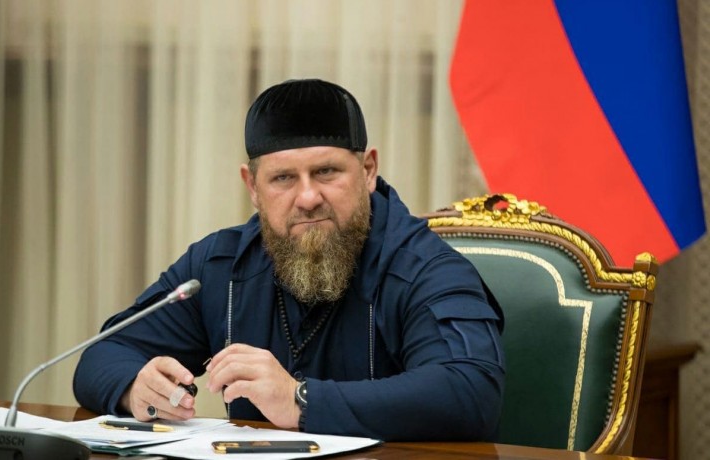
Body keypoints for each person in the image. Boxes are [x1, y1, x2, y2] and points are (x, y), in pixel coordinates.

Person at [73, 78, 505, 441]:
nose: (308, 197)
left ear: (368, 170)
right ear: (253, 187)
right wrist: (135, 386)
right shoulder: (219, 266)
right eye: (283, 178)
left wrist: (300, 400)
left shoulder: (425, 267)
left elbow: (471, 391)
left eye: (326, 172)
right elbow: (103, 354)